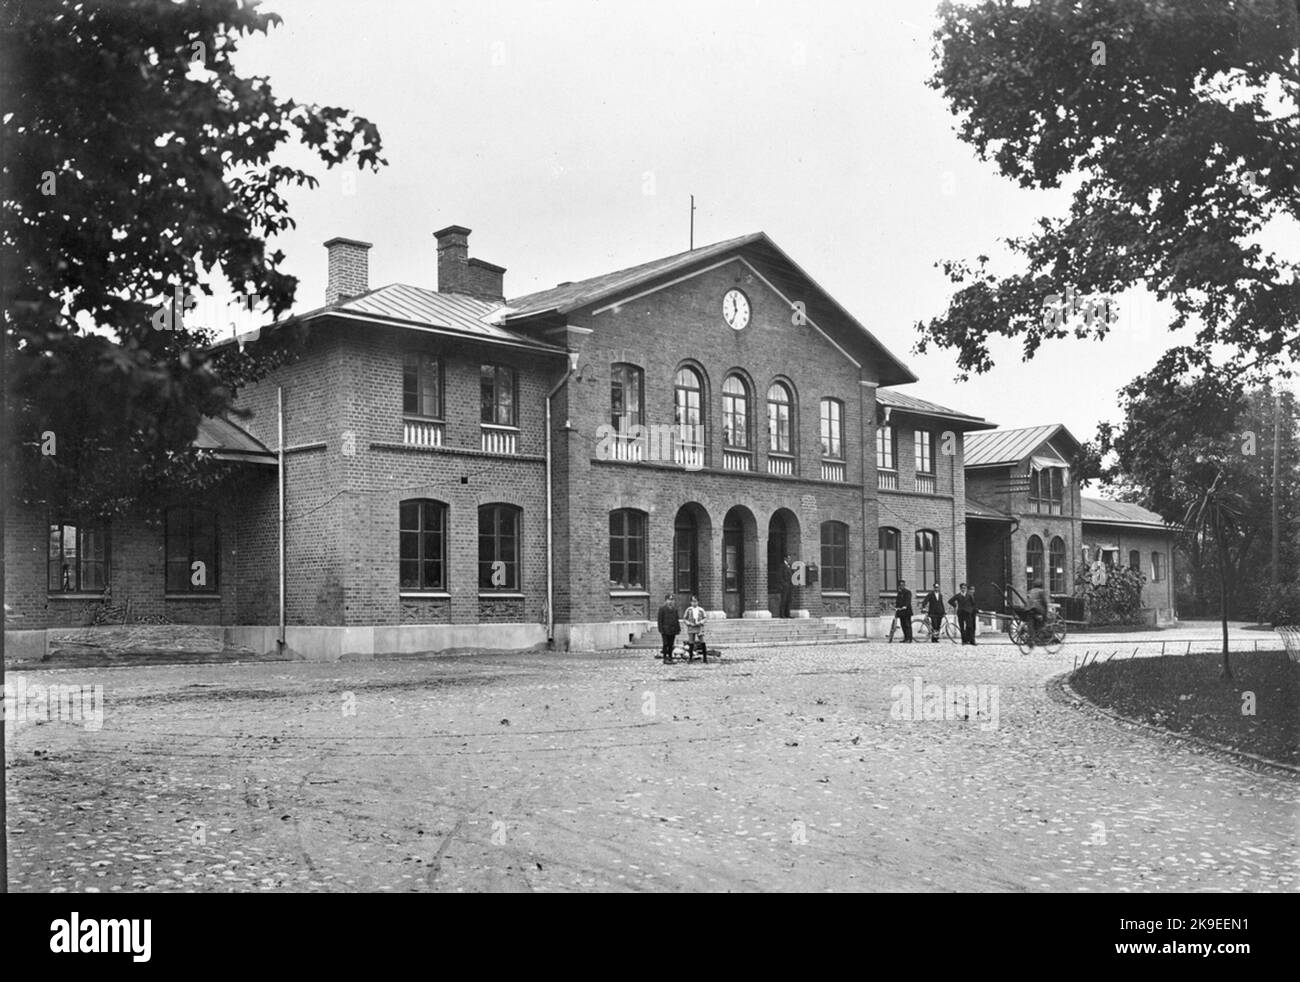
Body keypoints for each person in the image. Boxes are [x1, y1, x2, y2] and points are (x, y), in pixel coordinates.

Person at [657, 593, 680, 663]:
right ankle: (665, 657)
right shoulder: (662, 609)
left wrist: (678, 629)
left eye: (672, 600)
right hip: (665, 629)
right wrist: (660, 629)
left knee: (671, 644)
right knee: (665, 644)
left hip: (672, 629)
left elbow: (676, 619)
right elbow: (660, 620)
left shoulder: (675, 609)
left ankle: (670, 656)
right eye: (669, 600)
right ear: (666, 601)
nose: (670, 601)